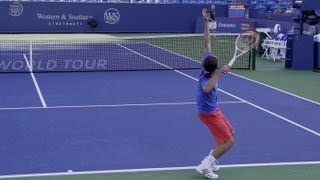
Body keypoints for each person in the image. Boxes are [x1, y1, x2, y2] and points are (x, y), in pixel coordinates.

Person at [195, 8, 235, 179]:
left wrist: (206, 22)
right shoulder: (207, 80)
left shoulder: (206, 65)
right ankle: (205, 165)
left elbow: (206, 42)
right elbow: (207, 89)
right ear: (213, 69)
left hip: (213, 110)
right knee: (229, 142)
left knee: (230, 134)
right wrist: (220, 73)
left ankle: (212, 160)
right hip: (208, 114)